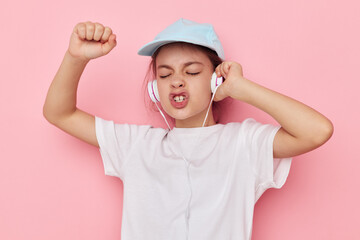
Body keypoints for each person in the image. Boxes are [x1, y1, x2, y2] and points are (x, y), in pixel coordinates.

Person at [43, 18, 333, 240]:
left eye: (192, 72)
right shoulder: (136, 145)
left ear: (215, 80)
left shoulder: (244, 143)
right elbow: (59, 113)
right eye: (165, 74)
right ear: (155, 88)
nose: (177, 81)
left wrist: (242, 88)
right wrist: (76, 57)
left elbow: (317, 131)